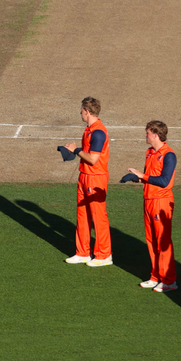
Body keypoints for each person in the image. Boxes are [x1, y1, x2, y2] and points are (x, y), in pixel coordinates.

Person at [127, 121, 177, 292]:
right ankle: (156, 277)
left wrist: (144, 176)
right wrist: (137, 178)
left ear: (156, 135)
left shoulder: (169, 155)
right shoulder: (149, 152)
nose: (145, 135)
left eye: (147, 133)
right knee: (151, 241)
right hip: (148, 200)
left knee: (163, 242)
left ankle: (169, 280)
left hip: (161, 202)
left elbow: (164, 181)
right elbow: (149, 176)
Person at [63, 97, 111, 266]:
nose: (80, 113)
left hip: (95, 177)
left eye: (82, 110)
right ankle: (83, 252)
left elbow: (93, 159)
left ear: (87, 111)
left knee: (98, 217)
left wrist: (75, 150)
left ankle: (104, 255)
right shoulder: (89, 130)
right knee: (82, 216)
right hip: (85, 176)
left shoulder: (98, 132)